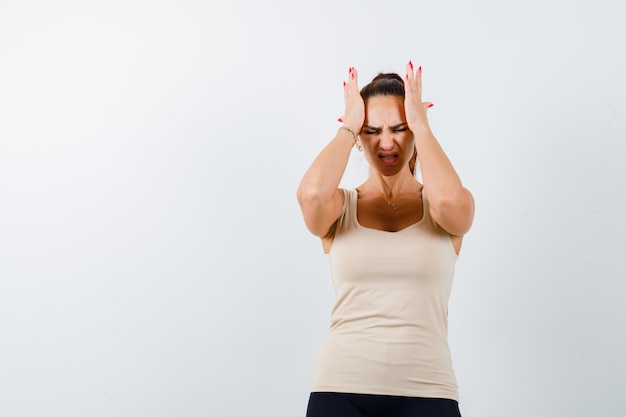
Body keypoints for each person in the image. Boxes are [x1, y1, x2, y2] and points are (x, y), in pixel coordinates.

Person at [296, 61, 475, 417]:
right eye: (372, 130)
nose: (387, 142)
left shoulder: (443, 207)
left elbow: (451, 202)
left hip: (429, 391)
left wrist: (421, 126)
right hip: (340, 389)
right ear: (360, 138)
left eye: (399, 128)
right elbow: (312, 195)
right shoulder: (338, 207)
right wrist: (348, 126)